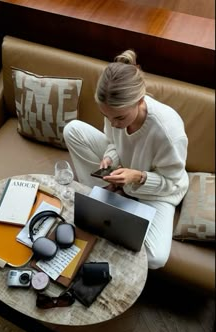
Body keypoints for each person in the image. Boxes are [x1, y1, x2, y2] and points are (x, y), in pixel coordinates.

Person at [63, 49, 189, 269]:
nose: (113, 124)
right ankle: (105, 195)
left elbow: (172, 182)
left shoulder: (168, 132)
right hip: (125, 171)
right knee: (73, 129)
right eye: (106, 116)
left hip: (159, 189)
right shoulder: (115, 115)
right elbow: (112, 141)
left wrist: (138, 177)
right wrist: (109, 158)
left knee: (156, 257)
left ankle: (112, 202)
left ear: (140, 100)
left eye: (120, 117)